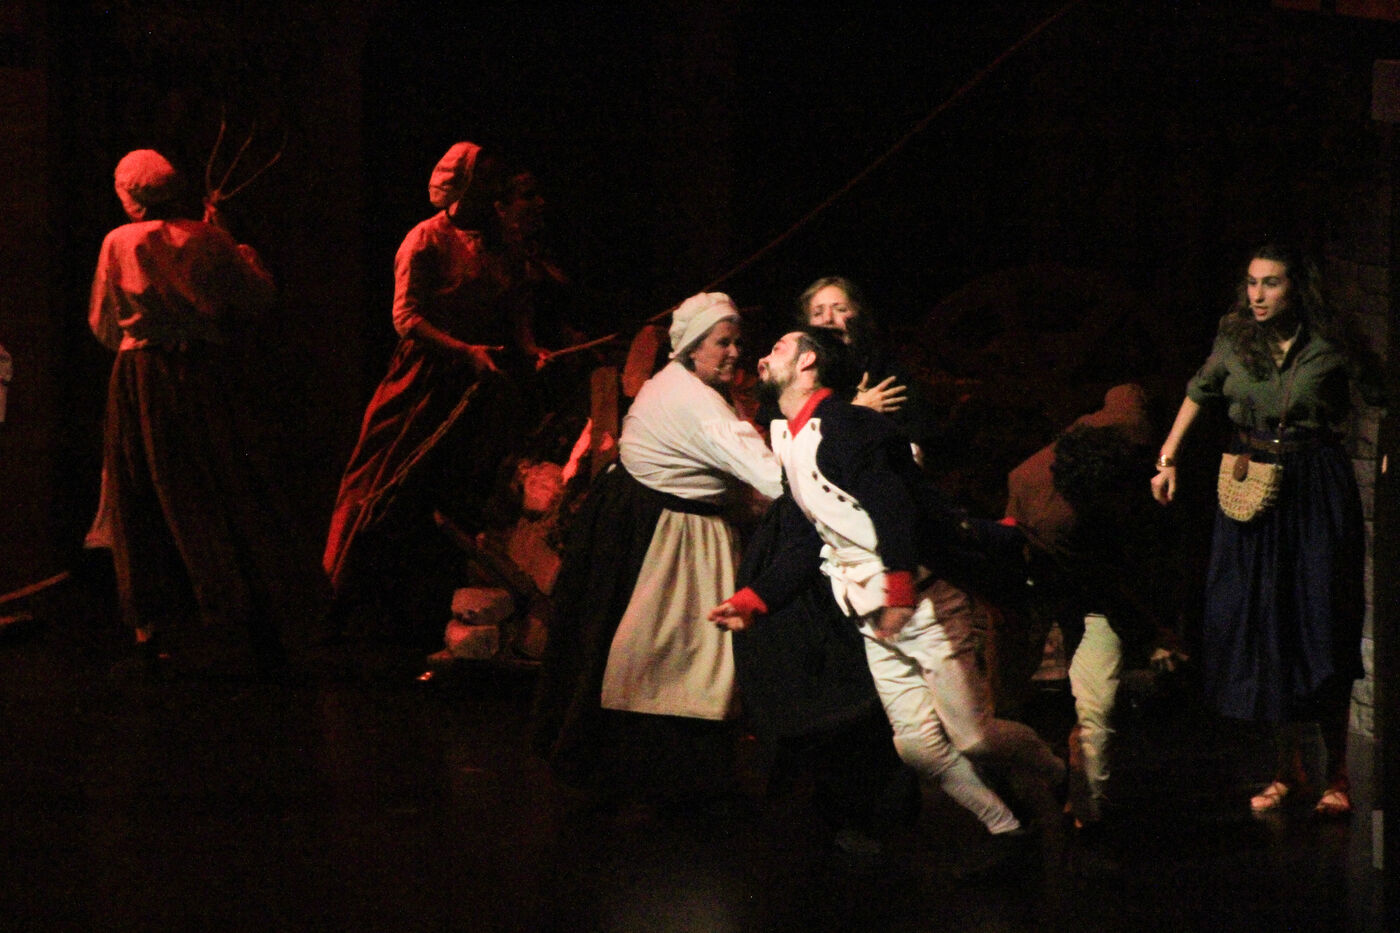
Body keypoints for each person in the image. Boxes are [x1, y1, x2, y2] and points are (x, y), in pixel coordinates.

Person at [712, 326, 1064, 878]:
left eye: (778, 348)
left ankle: (1053, 769)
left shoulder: (849, 428)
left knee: (973, 737)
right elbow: (809, 535)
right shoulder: (790, 438)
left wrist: (898, 587)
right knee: (918, 749)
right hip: (873, 615)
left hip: (923, 604)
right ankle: (1008, 828)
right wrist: (755, 600)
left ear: (807, 362)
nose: (762, 356)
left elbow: (894, 509)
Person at [1151, 242, 1383, 819]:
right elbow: (1199, 391)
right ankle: (1286, 768)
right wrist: (1168, 457)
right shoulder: (1235, 339)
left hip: (1314, 486)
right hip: (1251, 483)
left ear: (1296, 287)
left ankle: (1337, 772)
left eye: (1271, 283)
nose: (1258, 295)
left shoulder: (1330, 342)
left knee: (1321, 621)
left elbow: (1381, 393)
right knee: (1266, 624)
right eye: (1252, 282)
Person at [531, 292, 784, 807]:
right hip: (670, 534)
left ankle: (637, 773)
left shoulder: (677, 381)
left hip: (636, 517)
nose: (735, 352)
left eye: (738, 341)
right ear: (693, 347)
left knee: (640, 650)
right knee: (681, 656)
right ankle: (669, 781)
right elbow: (775, 481)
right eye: (723, 342)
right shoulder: (699, 405)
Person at [89, 149, 313, 678]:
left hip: (142, 375)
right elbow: (256, 297)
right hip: (203, 373)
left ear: (129, 194)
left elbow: (103, 322)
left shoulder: (119, 241)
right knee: (221, 485)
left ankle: (152, 628)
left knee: (140, 490)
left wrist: (145, 335)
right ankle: (246, 620)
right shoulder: (208, 239)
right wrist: (229, 245)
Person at [323, 141, 533, 647]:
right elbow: (406, 317)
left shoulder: (500, 241)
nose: (493, 189)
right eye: (484, 180)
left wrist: (529, 348)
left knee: (457, 495)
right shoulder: (426, 238)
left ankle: (438, 614)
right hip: (423, 379)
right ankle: (338, 598)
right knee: (381, 478)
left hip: (478, 381)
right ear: (463, 186)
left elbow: (515, 300)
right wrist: (463, 351)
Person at [1004, 385, 1175, 829]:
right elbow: (1109, 582)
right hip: (1045, 583)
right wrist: (1154, 634)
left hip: (1093, 590)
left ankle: (1088, 812)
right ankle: (1049, 795)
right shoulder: (1044, 500)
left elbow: (1128, 394)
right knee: (1008, 704)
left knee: (1095, 706)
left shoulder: (1126, 442)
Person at [798, 275, 939, 456]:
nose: (828, 319)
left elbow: (919, 436)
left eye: (840, 309)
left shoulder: (886, 369)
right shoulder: (798, 376)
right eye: (817, 313)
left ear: (859, 315)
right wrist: (856, 411)